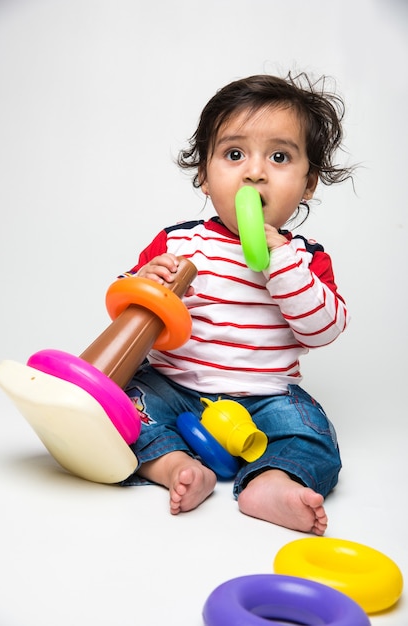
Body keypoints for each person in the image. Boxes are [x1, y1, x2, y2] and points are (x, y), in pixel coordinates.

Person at [120, 73, 354, 535]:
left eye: (280, 157)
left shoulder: (305, 257)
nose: (254, 172)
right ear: (205, 176)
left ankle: (270, 482)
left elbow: (322, 330)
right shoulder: (180, 242)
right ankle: (174, 467)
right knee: (121, 407)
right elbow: (130, 312)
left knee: (314, 437)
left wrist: (280, 263)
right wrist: (144, 281)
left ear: (308, 184)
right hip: (174, 385)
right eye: (233, 155)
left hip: (265, 397)